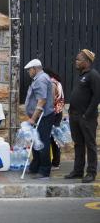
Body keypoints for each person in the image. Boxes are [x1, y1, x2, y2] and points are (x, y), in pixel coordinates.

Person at [65, 49, 100, 183]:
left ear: (87, 62)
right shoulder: (81, 75)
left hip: (86, 117)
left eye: (79, 60)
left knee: (90, 144)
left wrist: (87, 114)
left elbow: (97, 97)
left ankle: (91, 172)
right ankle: (78, 171)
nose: (76, 62)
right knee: (78, 144)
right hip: (74, 116)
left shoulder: (93, 75)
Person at [24, 59, 54, 179]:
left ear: (35, 69)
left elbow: (42, 101)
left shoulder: (41, 79)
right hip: (41, 116)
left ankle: (44, 170)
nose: (28, 72)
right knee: (36, 141)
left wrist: (33, 118)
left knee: (42, 142)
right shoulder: (42, 78)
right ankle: (35, 166)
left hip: (43, 116)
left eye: (29, 70)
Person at [43, 68, 65, 170]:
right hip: (58, 113)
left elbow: (50, 101)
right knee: (54, 137)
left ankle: (55, 163)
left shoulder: (51, 83)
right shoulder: (57, 82)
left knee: (51, 138)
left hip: (53, 114)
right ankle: (56, 162)